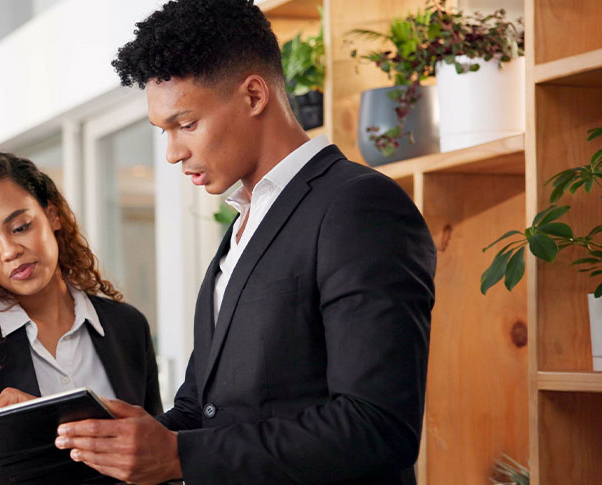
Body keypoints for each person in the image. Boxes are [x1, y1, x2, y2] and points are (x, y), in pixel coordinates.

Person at [50, 0, 438, 483]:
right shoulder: (238, 228)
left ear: (254, 95)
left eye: (186, 124)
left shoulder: (358, 206)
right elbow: (201, 409)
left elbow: (378, 426)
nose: (173, 153)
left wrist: (178, 455)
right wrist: (103, 439)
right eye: (164, 131)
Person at [0, 147, 162, 484]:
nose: (9, 251)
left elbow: (156, 456)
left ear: (53, 215)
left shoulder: (126, 327)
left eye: (20, 227)